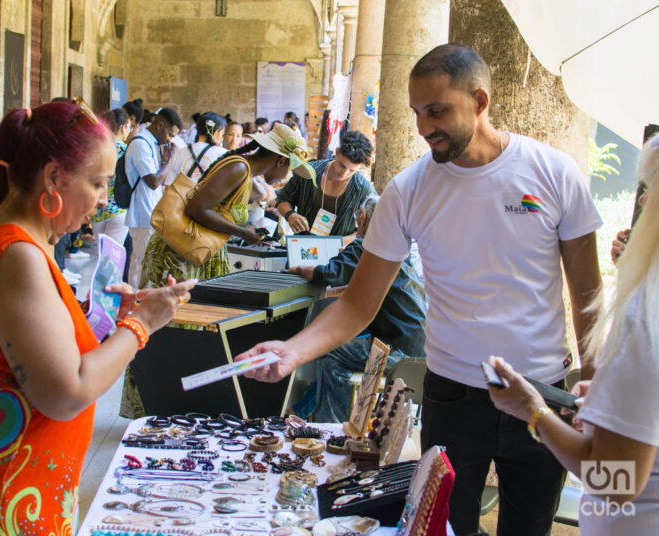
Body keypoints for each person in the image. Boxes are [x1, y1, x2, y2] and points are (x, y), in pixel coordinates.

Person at [236, 43, 603, 535]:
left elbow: (589, 298)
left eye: (437, 110)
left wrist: (597, 390)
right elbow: (358, 304)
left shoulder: (554, 173)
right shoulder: (407, 191)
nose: (423, 127)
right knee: (443, 527)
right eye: (416, 112)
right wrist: (292, 350)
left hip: (543, 393)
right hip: (453, 396)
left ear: (480, 100)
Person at [0, 100, 196, 533]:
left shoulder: (21, 242)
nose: (103, 200)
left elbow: (28, 342)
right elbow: (67, 391)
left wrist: (106, 317)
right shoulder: (19, 254)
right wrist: (142, 325)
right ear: (53, 178)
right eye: (97, 183)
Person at [487, 134, 659, 535]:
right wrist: (608, 409)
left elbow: (613, 482)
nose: (643, 204)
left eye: (649, 192)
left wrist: (532, 410)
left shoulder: (645, 318)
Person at [119, 123, 313, 418]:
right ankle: (154, 406)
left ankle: (176, 407)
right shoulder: (239, 168)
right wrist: (243, 232)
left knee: (189, 332)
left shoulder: (245, 171)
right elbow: (198, 208)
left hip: (197, 256)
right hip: (178, 258)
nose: (286, 177)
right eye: (289, 169)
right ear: (280, 160)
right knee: (170, 328)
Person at [288, 195, 427, 422]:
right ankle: (334, 426)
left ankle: (324, 423)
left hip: (397, 353)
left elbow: (326, 273)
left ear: (362, 219)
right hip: (419, 350)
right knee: (333, 364)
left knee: (327, 346)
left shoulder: (369, 245)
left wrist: (296, 268)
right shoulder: (398, 248)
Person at [276, 129, 375, 241]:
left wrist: (343, 242)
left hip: (340, 254)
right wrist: (290, 214)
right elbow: (283, 198)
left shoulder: (362, 188)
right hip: (303, 246)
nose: (344, 173)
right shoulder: (309, 172)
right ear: (337, 152)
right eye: (342, 166)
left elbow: (371, 227)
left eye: (352, 170)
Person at [123, 109, 176, 290]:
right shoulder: (140, 143)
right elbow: (153, 181)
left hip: (150, 212)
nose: (169, 139)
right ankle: (136, 304)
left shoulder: (151, 143)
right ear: (160, 125)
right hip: (142, 213)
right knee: (141, 262)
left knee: (148, 262)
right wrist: (170, 161)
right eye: (169, 133)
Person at [91, 108, 131, 248]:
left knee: (101, 253)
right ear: (123, 127)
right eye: (129, 127)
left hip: (97, 209)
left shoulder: (96, 146)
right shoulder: (126, 150)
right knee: (113, 257)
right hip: (118, 209)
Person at [159, 112, 228, 185]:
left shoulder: (180, 152)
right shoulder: (223, 155)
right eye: (222, 134)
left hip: (182, 195)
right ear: (216, 132)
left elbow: (169, 184)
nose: (222, 139)